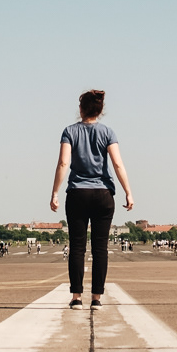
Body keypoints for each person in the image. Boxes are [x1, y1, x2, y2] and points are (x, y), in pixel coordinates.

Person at [51, 89, 133, 309]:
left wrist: (55, 192)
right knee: (100, 248)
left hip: (77, 193)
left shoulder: (69, 131)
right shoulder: (108, 132)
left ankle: (76, 297)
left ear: (81, 109)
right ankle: (96, 298)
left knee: (77, 247)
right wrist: (128, 191)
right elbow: (117, 164)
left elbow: (63, 164)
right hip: (103, 194)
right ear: (100, 110)